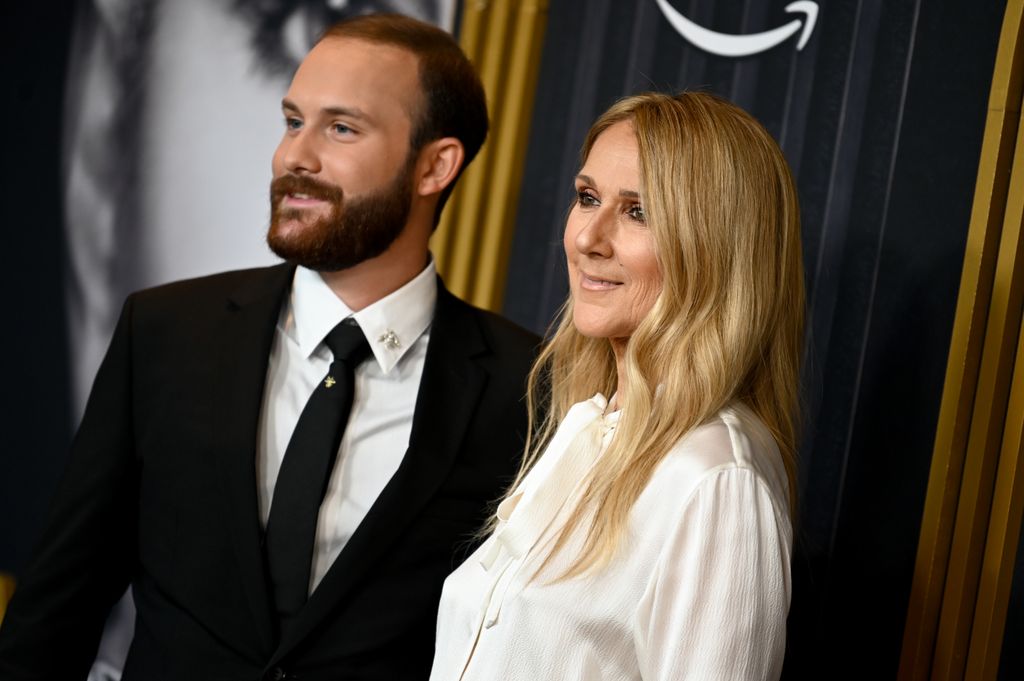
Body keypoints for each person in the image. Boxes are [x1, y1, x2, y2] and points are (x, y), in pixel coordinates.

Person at [0, 13, 537, 681]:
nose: (293, 157)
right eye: (292, 121)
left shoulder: (525, 387)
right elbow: (56, 609)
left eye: (341, 128)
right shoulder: (166, 333)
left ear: (435, 165)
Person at [430, 91, 804, 680]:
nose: (587, 239)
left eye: (639, 212)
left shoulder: (716, 478)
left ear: (716, 246)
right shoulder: (590, 425)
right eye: (587, 198)